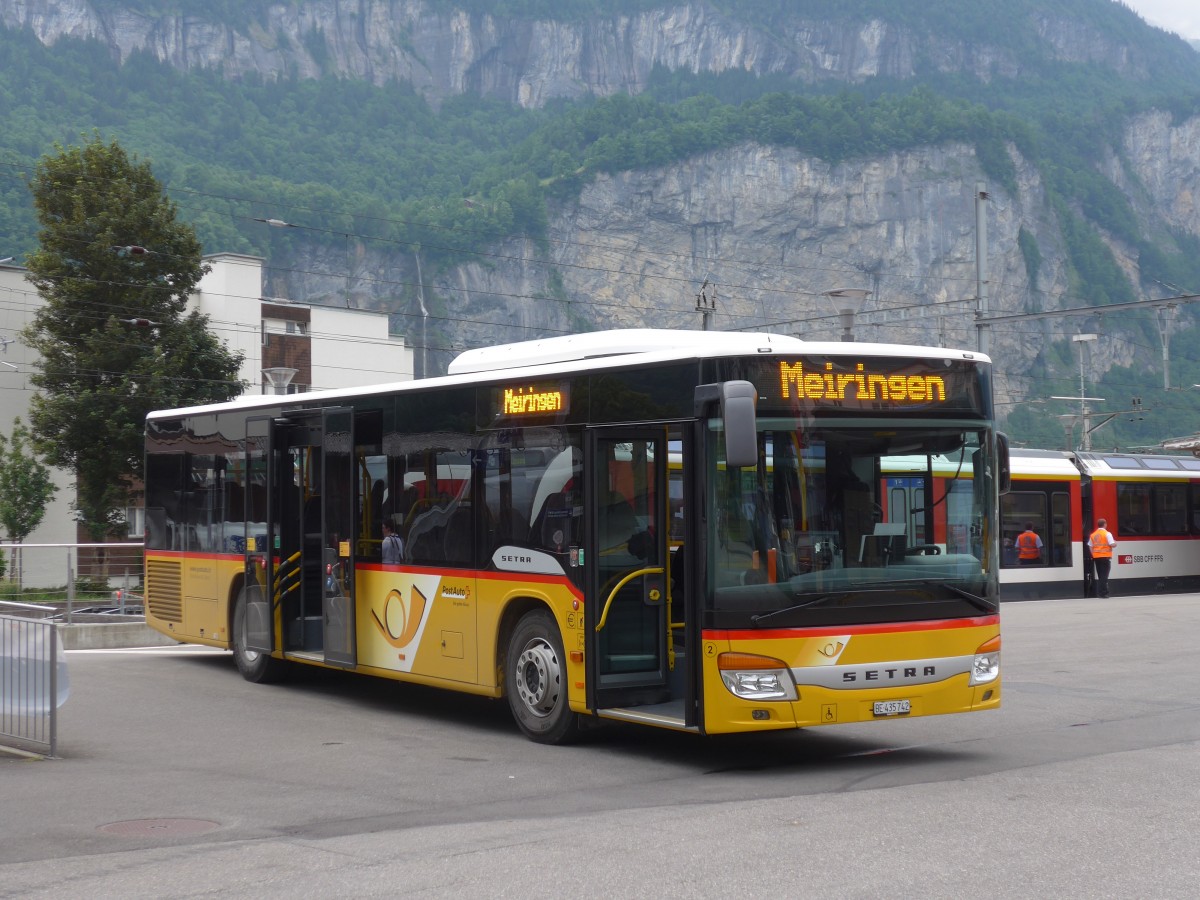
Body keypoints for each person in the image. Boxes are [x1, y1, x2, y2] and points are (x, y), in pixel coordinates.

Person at [1088, 518, 1117, 598]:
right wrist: (1115, 543)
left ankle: (1101, 592)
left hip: (1096, 557)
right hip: (1105, 557)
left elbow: (1090, 546)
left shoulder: (1093, 535)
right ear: (1105, 524)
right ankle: (1103, 593)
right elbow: (1112, 544)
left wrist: (1093, 554)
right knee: (1104, 575)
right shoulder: (1107, 534)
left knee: (1100, 575)